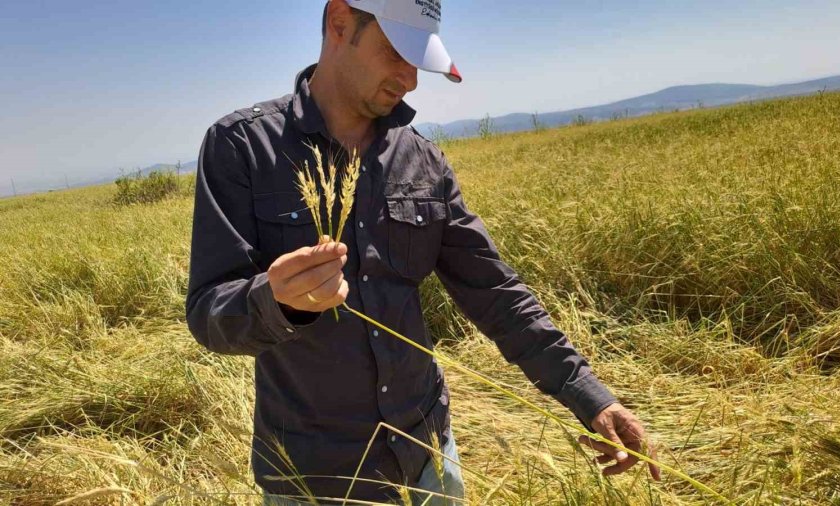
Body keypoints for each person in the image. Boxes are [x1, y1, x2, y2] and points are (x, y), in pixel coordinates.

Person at [185, 0, 661, 504]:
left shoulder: (422, 160)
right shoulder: (241, 147)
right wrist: (275, 300)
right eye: (396, 53)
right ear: (340, 24)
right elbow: (208, 313)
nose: (409, 80)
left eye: (419, 62)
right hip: (316, 476)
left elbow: (496, 293)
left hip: (429, 455)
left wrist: (590, 397)